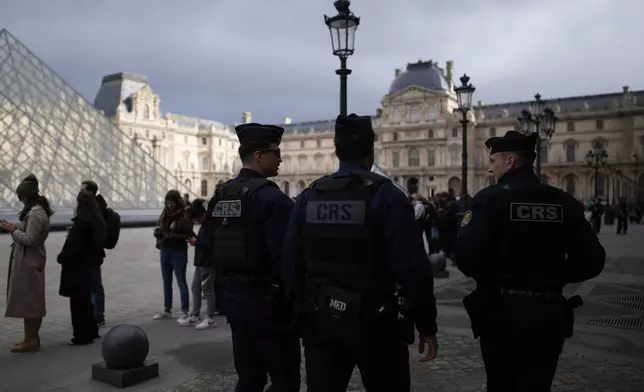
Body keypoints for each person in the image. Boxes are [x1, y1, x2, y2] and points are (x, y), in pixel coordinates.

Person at [283, 114, 439, 392]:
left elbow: (290, 265)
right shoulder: (388, 196)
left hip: (322, 320)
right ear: (372, 149)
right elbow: (412, 269)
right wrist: (427, 325)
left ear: (336, 149)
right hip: (376, 322)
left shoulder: (309, 196)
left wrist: (302, 314)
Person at [455, 131, 606, 392]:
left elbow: (465, 258)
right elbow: (593, 260)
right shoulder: (562, 201)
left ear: (510, 161)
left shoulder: (490, 199)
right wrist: (554, 276)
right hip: (548, 311)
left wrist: (499, 274)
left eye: (494, 162)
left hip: (501, 310)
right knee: (538, 384)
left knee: (500, 383)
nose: (491, 169)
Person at [206, 122, 300, 391]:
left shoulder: (221, 195)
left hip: (235, 302)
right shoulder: (273, 199)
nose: (280, 158)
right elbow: (288, 260)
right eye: (276, 152)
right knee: (285, 380)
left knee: (249, 378)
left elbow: (208, 247)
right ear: (259, 156)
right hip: (269, 307)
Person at [1, 174, 53, 353]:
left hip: (30, 262)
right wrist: (16, 227)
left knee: (31, 302)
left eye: (20, 197)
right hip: (30, 260)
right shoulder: (36, 212)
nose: (19, 200)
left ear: (26, 196)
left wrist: (13, 230)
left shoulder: (36, 213)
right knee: (29, 300)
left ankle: (31, 340)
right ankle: (30, 338)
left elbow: (30, 239)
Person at [57, 191, 105, 345]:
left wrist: (62, 257)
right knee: (86, 301)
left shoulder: (81, 224)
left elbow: (73, 248)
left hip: (76, 269)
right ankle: (91, 331)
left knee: (77, 303)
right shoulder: (96, 222)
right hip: (87, 267)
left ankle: (81, 335)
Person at [153, 190, 193, 322]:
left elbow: (187, 234)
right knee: (166, 281)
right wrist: (158, 233)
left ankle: (184, 311)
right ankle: (167, 310)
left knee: (181, 280)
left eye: (172, 203)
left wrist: (169, 235)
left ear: (177, 202)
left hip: (178, 251)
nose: (170, 206)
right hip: (165, 249)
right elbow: (161, 227)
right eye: (167, 203)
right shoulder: (165, 213)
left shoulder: (184, 214)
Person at [181, 198, 218, 329]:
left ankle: (210, 317)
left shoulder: (211, 225)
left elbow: (211, 244)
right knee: (195, 287)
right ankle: (194, 315)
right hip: (200, 261)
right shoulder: (205, 225)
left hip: (207, 261)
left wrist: (196, 242)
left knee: (208, 290)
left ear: (203, 215)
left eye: (197, 220)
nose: (196, 222)